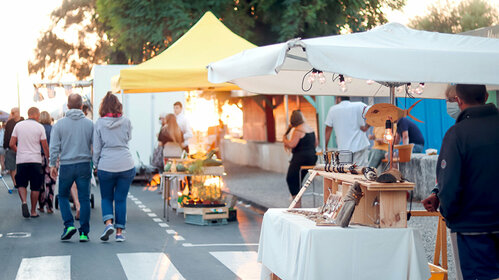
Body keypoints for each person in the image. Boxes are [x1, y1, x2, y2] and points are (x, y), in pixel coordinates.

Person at [425, 84, 499, 279]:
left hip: (471, 230)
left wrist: (448, 212)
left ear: (458, 100)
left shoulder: (456, 134)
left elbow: (449, 185)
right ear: (485, 96)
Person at [50, 94, 93, 242]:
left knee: (62, 196)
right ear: (82, 106)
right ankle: (84, 232)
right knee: (84, 198)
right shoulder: (89, 124)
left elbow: (54, 147)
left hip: (66, 165)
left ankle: (68, 225)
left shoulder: (59, 124)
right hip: (84, 164)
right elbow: (95, 146)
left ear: (67, 106)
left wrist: (52, 164)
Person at [94, 92, 135, 242]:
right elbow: (128, 138)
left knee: (106, 197)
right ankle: (119, 233)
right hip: (126, 164)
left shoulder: (99, 123)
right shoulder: (126, 121)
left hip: (106, 164)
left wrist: (96, 164)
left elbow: (97, 147)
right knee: (121, 199)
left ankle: (108, 224)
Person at [9, 107, 49, 218]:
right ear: (36, 114)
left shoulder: (19, 125)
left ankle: (24, 202)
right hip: (35, 160)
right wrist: (48, 158)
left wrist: (19, 151)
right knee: (35, 186)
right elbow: (44, 146)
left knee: (21, 183)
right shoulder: (39, 127)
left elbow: (11, 143)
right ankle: (33, 211)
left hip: (22, 160)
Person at [283, 110, 318, 208]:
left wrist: (285, 140)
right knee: (298, 180)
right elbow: (316, 144)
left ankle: (297, 203)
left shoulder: (298, 130)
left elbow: (292, 144)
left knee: (291, 179)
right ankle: (297, 199)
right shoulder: (310, 128)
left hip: (300, 159)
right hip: (312, 158)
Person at [325, 96, 370, 166]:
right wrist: (366, 127)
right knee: (360, 172)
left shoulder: (333, 110)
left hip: (344, 149)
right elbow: (374, 112)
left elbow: (328, 129)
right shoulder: (359, 105)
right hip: (360, 145)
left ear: (338, 98)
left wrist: (325, 146)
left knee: (345, 173)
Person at [37, 111, 56, 214]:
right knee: (50, 183)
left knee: (40, 182)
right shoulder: (53, 129)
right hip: (50, 157)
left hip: (38, 157)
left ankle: (41, 205)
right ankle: (49, 207)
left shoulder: (37, 129)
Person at [3, 108, 24, 187]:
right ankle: (15, 183)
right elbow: (6, 135)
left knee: (21, 166)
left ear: (18, 113)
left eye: (13, 112)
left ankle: (21, 181)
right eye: (11, 113)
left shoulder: (23, 122)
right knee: (12, 167)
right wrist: (6, 146)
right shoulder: (9, 123)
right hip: (11, 148)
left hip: (21, 148)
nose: (11, 114)